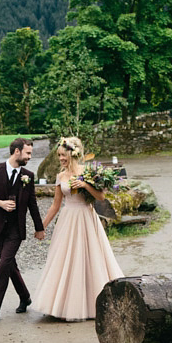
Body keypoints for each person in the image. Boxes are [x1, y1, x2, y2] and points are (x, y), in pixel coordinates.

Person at [29, 137, 124, 321]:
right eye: (59, 156)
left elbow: (101, 198)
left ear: (73, 154)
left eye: (63, 155)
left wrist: (85, 185)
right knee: (66, 260)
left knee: (91, 258)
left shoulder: (87, 172)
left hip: (86, 218)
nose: (61, 159)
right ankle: (62, 304)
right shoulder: (60, 176)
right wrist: (41, 227)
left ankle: (94, 302)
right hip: (68, 220)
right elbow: (55, 206)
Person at [0, 138, 45, 322]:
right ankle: (25, 297)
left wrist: (40, 228)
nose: (30, 157)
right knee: (9, 265)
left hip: (16, 229)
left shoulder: (28, 176)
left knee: (3, 266)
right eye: (28, 153)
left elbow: (33, 204)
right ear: (17, 152)